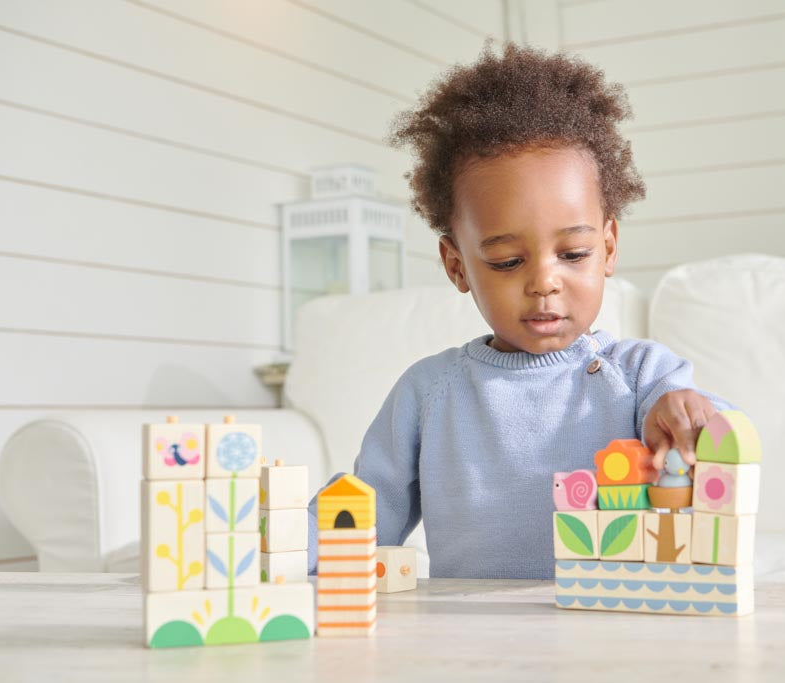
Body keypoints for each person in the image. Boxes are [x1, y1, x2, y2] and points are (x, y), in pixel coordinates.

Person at [308, 43, 734, 579]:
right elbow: (363, 512)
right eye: (508, 261)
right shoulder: (429, 393)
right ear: (457, 265)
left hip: (609, 635)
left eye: (574, 254)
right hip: (468, 645)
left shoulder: (642, 378)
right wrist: (273, 550)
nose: (543, 283)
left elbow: (717, 436)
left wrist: (686, 415)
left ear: (609, 247)